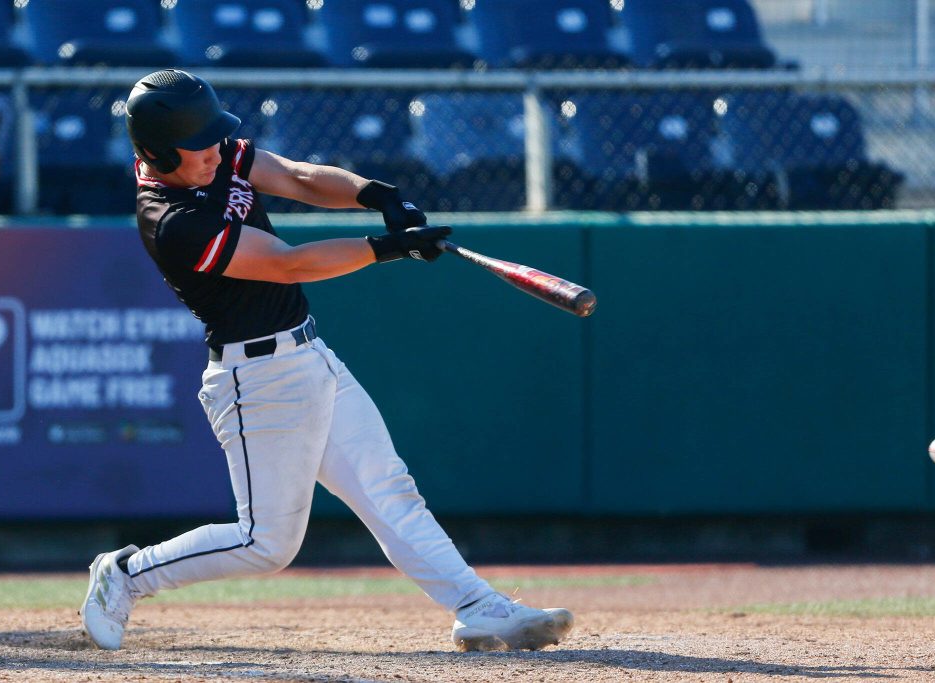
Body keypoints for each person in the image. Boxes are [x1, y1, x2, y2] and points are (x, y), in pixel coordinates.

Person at [79, 69, 573, 653]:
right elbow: (290, 263)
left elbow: (298, 177)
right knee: (266, 544)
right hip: (255, 379)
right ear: (159, 152)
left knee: (389, 489)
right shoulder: (172, 221)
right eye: (201, 143)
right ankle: (126, 574)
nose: (218, 150)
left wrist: (376, 194)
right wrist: (389, 249)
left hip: (309, 355)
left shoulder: (215, 157)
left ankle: (478, 607)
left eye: (217, 138)